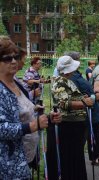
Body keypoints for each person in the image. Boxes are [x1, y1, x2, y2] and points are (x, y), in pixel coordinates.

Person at [0, 36, 49, 179]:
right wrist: (32, 126)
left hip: (24, 155)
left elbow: (23, 109)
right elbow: (1, 128)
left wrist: (44, 116)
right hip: (7, 164)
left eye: (15, 57)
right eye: (7, 58)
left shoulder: (16, 82)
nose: (14, 61)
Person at [48, 56, 94, 179]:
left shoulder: (66, 80)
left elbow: (70, 98)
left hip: (74, 125)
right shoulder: (60, 82)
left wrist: (83, 98)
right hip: (69, 126)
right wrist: (84, 103)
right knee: (70, 157)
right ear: (68, 70)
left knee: (76, 156)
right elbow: (64, 103)